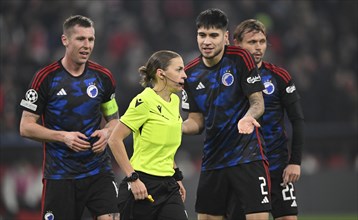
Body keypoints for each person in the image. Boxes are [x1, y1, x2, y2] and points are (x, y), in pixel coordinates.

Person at [19, 15, 120, 220]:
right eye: (80, 39)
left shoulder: (103, 77)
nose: (86, 45)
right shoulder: (45, 78)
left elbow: (114, 119)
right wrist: (64, 137)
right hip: (60, 175)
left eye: (91, 39)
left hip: (98, 170)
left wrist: (107, 132)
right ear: (65, 40)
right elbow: (26, 126)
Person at [181, 8, 271, 220]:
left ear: (226, 37)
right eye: (202, 35)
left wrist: (249, 117)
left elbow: (258, 102)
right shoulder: (190, 73)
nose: (207, 41)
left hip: (247, 156)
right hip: (213, 160)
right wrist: (177, 126)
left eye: (214, 35)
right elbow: (196, 121)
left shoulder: (240, 58)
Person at [231, 19, 305, 220]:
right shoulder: (227, 78)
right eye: (252, 42)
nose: (258, 47)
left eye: (262, 42)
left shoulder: (278, 76)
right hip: (242, 167)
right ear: (236, 44)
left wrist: (295, 162)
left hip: (277, 166)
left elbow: (297, 120)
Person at [108, 50, 188, 220]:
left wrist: (176, 176)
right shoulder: (144, 101)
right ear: (161, 73)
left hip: (168, 185)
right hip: (143, 184)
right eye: (179, 70)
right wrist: (133, 179)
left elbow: (164, 146)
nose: (185, 75)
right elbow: (114, 139)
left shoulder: (175, 101)